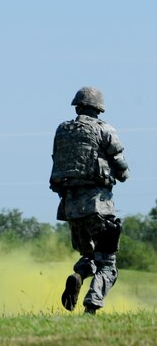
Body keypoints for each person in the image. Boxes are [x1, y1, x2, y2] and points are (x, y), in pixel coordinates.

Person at [50, 86, 130, 314]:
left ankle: (78, 275)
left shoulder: (63, 130)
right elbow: (120, 165)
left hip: (71, 208)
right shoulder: (104, 130)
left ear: (77, 106)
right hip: (99, 206)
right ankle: (91, 306)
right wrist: (123, 174)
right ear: (99, 108)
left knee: (89, 256)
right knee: (108, 265)